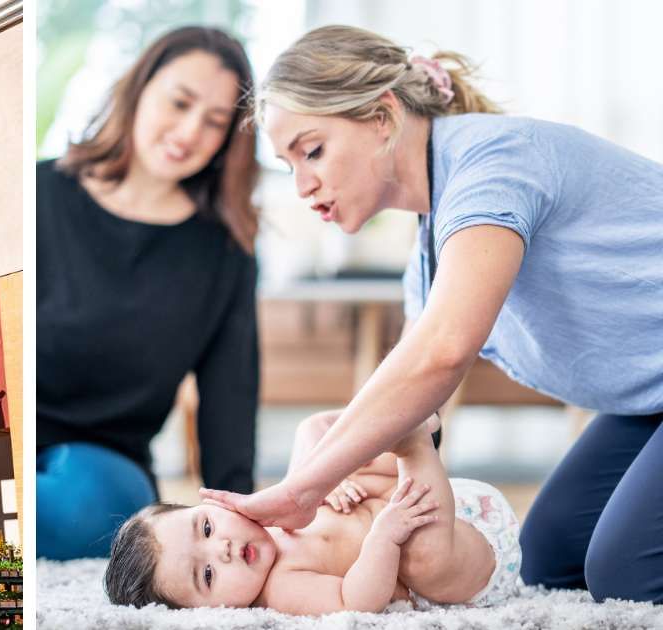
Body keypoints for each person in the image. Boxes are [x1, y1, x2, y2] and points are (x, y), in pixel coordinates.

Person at [199, 24, 663, 604]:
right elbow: (420, 413)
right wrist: (328, 453)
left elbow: (442, 353)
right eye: (288, 164)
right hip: (650, 397)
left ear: (383, 116)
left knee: (629, 573)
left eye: (312, 151)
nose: (302, 185)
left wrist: (305, 489)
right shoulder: (430, 251)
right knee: (550, 558)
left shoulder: (493, 165)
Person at [37, 26, 262, 560]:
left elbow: (230, 399)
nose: (189, 132)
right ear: (139, 90)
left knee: (85, 510)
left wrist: (240, 516)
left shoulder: (224, 252)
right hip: (13, 435)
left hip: (105, 470)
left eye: (215, 121)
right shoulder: (41, 194)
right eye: (179, 103)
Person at [107, 416, 523, 614]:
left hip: (448, 500)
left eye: (207, 528)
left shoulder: (267, 516)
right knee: (420, 558)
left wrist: (327, 479)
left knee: (311, 432)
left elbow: (314, 439)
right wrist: (384, 538)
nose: (224, 549)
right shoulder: (281, 588)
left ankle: (405, 419)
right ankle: (413, 443)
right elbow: (356, 601)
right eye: (209, 575)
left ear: (213, 505)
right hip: (466, 561)